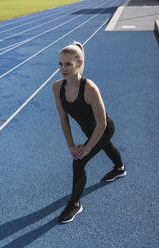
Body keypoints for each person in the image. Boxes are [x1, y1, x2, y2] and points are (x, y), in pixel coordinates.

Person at [52, 42, 126, 224]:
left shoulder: (90, 88)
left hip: (104, 128)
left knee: (78, 162)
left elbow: (101, 124)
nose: (63, 68)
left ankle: (75, 203)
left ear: (79, 63)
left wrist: (86, 148)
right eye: (60, 63)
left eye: (68, 64)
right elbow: (63, 118)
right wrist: (70, 145)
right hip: (89, 129)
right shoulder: (57, 87)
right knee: (106, 147)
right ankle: (120, 168)